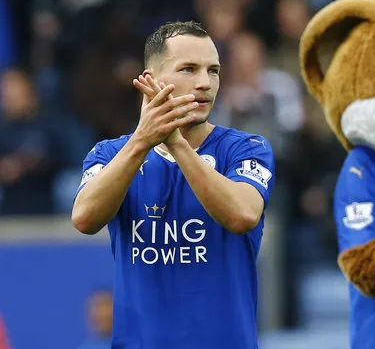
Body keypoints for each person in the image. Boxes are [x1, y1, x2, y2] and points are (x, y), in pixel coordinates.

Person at [71, 21, 275, 348]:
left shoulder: (247, 149)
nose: (204, 83)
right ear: (150, 80)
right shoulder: (109, 153)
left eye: (214, 71)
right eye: (189, 69)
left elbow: (242, 215)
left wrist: (177, 143)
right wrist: (142, 142)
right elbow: (84, 218)